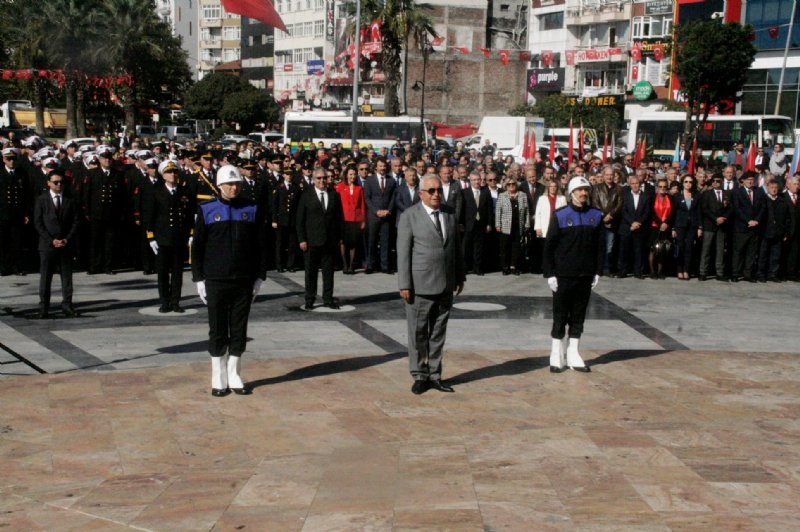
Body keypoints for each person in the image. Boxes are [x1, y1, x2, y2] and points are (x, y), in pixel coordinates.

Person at [192, 165, 267, 397]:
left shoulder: (251, 208)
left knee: (238, 328)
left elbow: (261, 245)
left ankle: (234, 373)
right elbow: (198, 246)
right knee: (217, 329)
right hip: (215, 279)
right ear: (220, 185)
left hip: (243, 279)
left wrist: (260, 276)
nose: (233, 188)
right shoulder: (207, 209)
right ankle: (218, 375)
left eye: (236, 184)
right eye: (229, 184)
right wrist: (199, 279)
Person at [397, 175, 465, 394]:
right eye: (432, 191)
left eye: (439, 191)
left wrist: (459, 276)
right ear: (421, 194)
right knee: (418, 333)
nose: (437, 194)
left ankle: (435, 374)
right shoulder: (410, 216)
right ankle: (419, 375)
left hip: (445, 283)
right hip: (419, 285)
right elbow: (403, 253)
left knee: (438, 332)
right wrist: (404, 284)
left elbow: (455, 248)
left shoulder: (449, 214)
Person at [543, 176, 604, 373]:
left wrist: (598, 271)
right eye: (579, 190)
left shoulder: (596, 215)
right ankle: (556, 354)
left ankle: (574, 352)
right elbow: (549, 246)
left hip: (585, 274)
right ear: (571, 193)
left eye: (586, 190)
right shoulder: (560, 215)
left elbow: (600, 247)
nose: (583, 193)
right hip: (563, 275)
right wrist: (550, 273)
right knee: (560, 314)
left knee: (578, 314)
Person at [144, 161, 195, 313]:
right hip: (162, 238)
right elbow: (150, 216)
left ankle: (175, 302)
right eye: (169, 172)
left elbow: (190, 215)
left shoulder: (185, 192)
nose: (172, 175)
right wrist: (151, 237)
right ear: (163, 175)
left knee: (178, 272)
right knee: (163, 272)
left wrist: (191, 234)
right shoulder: (156, 191)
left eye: (175, 172)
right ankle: (164, 301)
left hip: (180, 238)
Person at [33, 170, 79, 319]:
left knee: (67, 278)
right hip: (47, 245)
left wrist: (66, 239)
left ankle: (67, 305)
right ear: (48, 183)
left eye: (61, 182)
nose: (59, 185)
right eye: (56, 182)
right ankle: (44, 307)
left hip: (66, 244)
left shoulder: (70, 199)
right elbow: (38, 223)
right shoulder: (41, 199)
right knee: (46, 278)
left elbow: (75, 221)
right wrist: (51, 240)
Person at [296, 167, 344, 309]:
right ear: (313, 180)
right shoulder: (306, 195)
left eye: (324, 178)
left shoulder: (334, 195)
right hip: (311, 241)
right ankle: (310, 299)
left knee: (329, 272)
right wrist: (302, 239)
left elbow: (339, 218)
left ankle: (328, 299)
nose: (322, 181)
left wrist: (340, 237)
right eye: (319, 178)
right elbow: (300, 220)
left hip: (329, 240)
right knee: (311, 272)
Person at [363, 157, 397, 273]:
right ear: (376, 167)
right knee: (372, 241)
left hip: (387, 215)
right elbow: (367, 198)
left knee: (385, 241)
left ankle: (385, 266)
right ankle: (371, 265)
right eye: (380, 166)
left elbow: (393, 197)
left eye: (384, 166)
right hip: (374, 216)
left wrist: (388, 210)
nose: (382, 168)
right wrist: (376, 211)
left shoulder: (391, 181)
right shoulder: (369, 180)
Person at [0, 147, 30, 276]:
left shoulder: (22, 173)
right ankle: (3, 267)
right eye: (8, 159)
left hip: (17, 213)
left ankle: (16, 266)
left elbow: (27, 195)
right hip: (2, 213)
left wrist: (27, 213)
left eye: (13, 159)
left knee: (16, 241)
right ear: (3, 159)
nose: (11, 162)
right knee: (3, 241)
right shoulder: (1, 173)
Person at [731, 170, 765, 282]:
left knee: (751, 252)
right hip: (741, 227)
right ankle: (735, 273)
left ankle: (748, 274)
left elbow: (762, 208)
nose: (750, 182)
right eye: (748, 180)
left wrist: (756, 220)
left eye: (752, 180)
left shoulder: (759, 191)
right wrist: (748, 221)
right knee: (738, 251)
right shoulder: (737, 192)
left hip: (755, 227)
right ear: (743, 181)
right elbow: (737, 209)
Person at [590, 165, 623, 275]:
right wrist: (603, 215)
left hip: (612, 222)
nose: (609, 177)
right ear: (603, 176)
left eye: (611, 175)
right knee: (599, 246)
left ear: (614, 176)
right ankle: (598, 269)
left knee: (610, 246)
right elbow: (595, 203)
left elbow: (619, 204)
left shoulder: (618, 188)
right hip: (599, 221)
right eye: (607, 175)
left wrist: (611, 215)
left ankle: (607, 268)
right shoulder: (596, 188)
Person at [617, 175, 652, 278]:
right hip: (626, 227)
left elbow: (647, 212)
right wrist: (632, 223)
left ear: (640, 184)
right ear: (629, 185)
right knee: (624, 251)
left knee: (639, 251)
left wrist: (638, 223)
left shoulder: (646, 196)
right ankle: (622, 271)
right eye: (632, 184)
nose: (635, 185)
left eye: (636, 183)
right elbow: (623, 211)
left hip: (640, 228)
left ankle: (638, 272)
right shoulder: (625, 195)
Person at [757, 179, 792, 282]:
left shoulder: (782, 201)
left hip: (778, 232)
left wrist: (785, 232)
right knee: (763, 255)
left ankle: (772, 274)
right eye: (772, 188)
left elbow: (787, 218)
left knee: (776, 255)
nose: (774, 190)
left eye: (776, 188)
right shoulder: (763, 199)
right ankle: (761, 274)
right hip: (765, 232)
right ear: (767, 188)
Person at [495, 178, 530, 275]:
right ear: (506, 186)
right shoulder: (502, 196)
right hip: (505, 226)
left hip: (518, 225)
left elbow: (526, 211)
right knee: (505, 247)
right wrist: (498, 224)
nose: (511, 185)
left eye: (513, 183)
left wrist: (527, 224)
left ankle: (513, 266)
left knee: (516, 247)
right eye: (509, 184)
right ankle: (505, 267)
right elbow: (498, 211)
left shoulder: (522, 195)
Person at [335, 165, 365, 274]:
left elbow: (362, 205)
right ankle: (345, 264)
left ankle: (351, 265)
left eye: (354, 174)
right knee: (343, 242)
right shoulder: (339, 187)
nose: (352, 176)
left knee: (353, 243)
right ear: (346, 175)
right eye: (350, 174)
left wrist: (363, 220)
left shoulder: (359, 188)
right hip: (343, 219)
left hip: (355, 220)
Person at [461, 170, 492, 275]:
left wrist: (489, 223)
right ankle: (465, 267)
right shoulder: (464, 192)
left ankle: (477, 267)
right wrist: (461, 223)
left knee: (478, 247)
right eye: (474, 180)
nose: (476, 182)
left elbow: (489, 209)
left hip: (481, 223)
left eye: (478, 179)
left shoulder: (485, 191)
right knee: (466, 247)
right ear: (470, 180)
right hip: (468, 224)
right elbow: (462, 209)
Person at [672, 174, 702, 280]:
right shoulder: (677, 196)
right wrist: (673, 228)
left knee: (689, 247)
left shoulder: (697, 195)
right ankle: (679, 270)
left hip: (692, 225)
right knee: (680, 247)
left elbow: (699, 212)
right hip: (680, 225)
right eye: (686, 182)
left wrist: (700, 227)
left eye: (690, 182)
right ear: (682, 183)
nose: (688, 184)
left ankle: (686, 270)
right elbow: (673, 213)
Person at [271, 168, 300, 272]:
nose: (289, 176)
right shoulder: (279, 187)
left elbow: (298, 205)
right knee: (280, 244)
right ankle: (279, 265)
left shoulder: (296, 188)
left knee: (292, 244)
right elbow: (274, 205)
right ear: (283, 175)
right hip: (281, 220)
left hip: (292, 220)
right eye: (287, 174)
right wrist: (274, 220)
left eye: (290, 174)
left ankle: (290, 265)